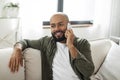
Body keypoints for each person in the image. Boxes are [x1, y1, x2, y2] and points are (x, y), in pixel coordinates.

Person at [9, 12, 94, 80]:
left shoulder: (82, 43)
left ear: (69, 25)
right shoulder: (47, 42)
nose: (56, 29)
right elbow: (25, 41)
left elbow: (88, 72)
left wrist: (71, 46)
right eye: (53, 26)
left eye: (60, 24)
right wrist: (17, 49)